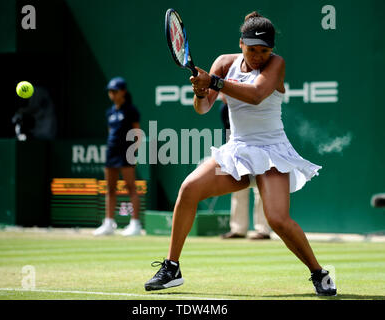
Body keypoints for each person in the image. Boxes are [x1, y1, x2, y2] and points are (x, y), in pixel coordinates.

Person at [144, 12, 337, 296]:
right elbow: (203, 108)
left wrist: (214, 82)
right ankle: (172, 267)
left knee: (277, 219)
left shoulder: (276, 64)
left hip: (272, 151)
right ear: (240, 43)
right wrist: (200, 91)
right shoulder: (224, 63)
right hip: (237, 151)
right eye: (252, 48)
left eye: (264, 50)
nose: (259, 55)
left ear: (272, 49)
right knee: (188, 189)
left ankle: (318, 273)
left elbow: (257, 94)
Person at [93, 77, 143, 237]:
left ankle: (135, 224)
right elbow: (110, 133)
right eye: (110, 91)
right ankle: (108, 223)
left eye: (115, 91)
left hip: (126, 152)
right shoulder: (109, 112)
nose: (112, 94)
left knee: (131, 188)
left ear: (123, 92)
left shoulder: (131, 110)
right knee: (110, 189)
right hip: (111, 152)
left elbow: (137, 133)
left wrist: (134, 151)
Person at [219, 102, 271, 240]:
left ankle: (263, 230)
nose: (222, 95)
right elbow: (228, 132)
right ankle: (238, 229)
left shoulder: (252, 104)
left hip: (259, 146)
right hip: (237, 151)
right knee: (238, 188)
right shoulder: (224, 109)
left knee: (261, 189)